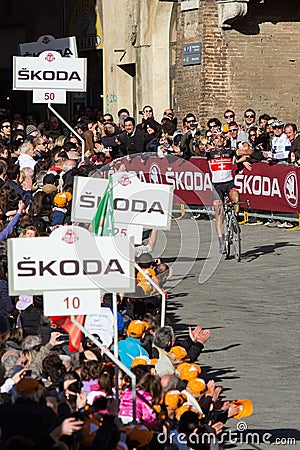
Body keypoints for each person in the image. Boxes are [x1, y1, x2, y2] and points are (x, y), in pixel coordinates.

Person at [205, 132, 253, 253]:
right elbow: (198, 150)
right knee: (219, 214)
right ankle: (221, 241)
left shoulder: (230, 151)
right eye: (217, 138)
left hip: (228, 183)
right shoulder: (209, 152)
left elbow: (249, 152)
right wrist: (200, 144)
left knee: (235, 195)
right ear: (213, 141)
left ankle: (235, 218)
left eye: (221, 137)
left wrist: (247, 150)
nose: (219, 140)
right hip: (216, 186)